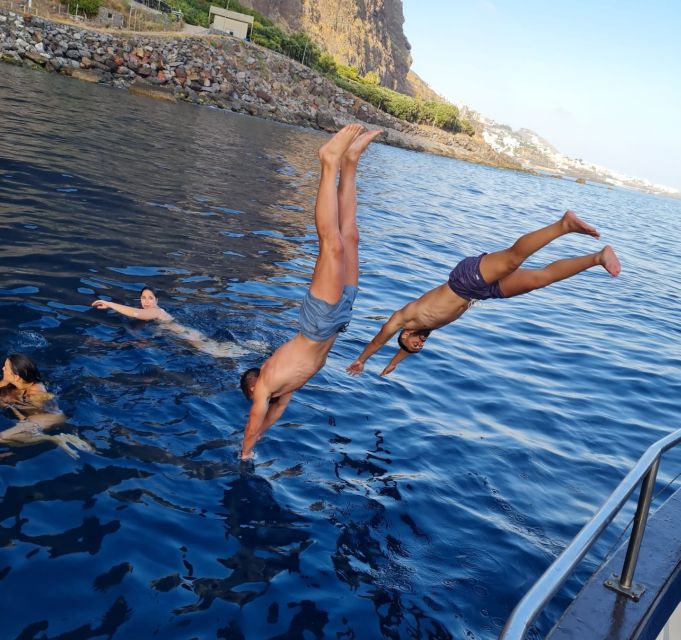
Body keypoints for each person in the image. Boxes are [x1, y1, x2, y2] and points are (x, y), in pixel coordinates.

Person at [239, 124, 382, 460]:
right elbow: (273, 415)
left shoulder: (268, 382)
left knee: (331, 246)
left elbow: (257, 417)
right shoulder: (286, 389)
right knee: (351, 236)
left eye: (254, 393)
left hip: (318, 323)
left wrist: (245, 451)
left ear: (252, 387)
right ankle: (350, 162)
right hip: (340, 318)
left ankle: (328, 161)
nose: (259, 398)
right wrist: (259, 439)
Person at [346, 210, 621, 377]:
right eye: (418, 347)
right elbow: (407, 349)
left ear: (404, 335)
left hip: (466, 279)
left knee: (513, 259)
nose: (418, 346)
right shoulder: (429, 327)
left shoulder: (404, 319)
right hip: (481, 293)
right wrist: (393, 364)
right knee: (539, 279)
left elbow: (381, 338)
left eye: (412, 345)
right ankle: (597, 257)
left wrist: (362, 360)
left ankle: (564, 225)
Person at [92, 287, 250, 358]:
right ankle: (254, 346)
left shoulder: (156, 311)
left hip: (194, 339)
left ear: (156, 300)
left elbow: (135, 313)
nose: (146, 301)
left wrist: (108, 303)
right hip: (189, 338)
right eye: (143, 298)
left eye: (150, 298)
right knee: (237, 350)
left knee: (227, 354)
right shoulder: (153, 313)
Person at [0, 353, 92, 458]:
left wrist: (17, 410)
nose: (3, 369)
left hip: (49, 417)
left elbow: (39, 410)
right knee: (11, 439)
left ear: (16, 377)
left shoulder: (35, 393)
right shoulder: (13, 382)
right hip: (33, 417)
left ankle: (54, 438)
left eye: (6, 368)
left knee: (3, 438)